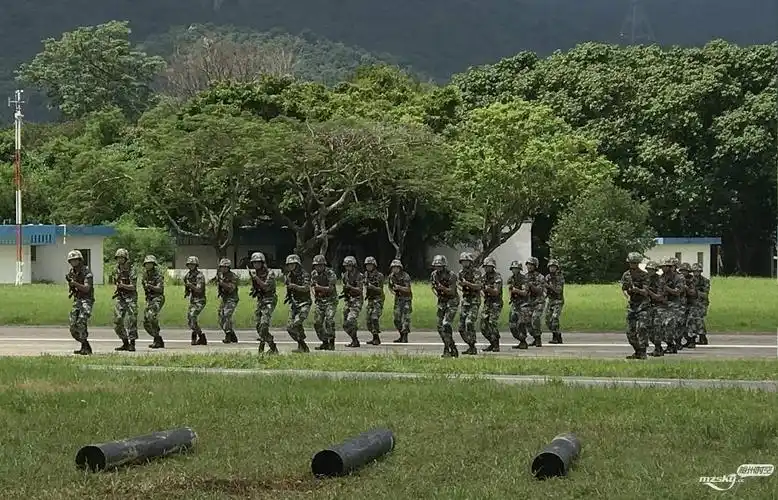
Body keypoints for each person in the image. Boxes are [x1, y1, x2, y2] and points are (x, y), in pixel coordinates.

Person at [620, 252, 650, 359]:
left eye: (634, 263)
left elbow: (646, 291)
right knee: (630, 331)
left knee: (641, 328)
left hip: (643, 306)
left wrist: (638, 290)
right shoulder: (626, 275)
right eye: (631, 263)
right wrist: (627, 296)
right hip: (632, 306)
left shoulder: (644, 275)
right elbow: (623, 288)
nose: (632, 265)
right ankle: (637, 351)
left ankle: (643, 351)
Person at [430, 254, 459, 358]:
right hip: (442, 302)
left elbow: (451, 291)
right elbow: (433, 287)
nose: (438, 268)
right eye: (436, 266)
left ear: (444, 266)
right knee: (440, 327)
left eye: (440, 266)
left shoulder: (452, 275)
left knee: (446, 324)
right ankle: (452, 346)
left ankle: (447, 349)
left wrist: (442, 288)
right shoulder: (433, 275)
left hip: (452, 301)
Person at [249, 252, 278, 354]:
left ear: (262, 263)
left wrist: (255, 278)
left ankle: (267, 346)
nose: (256, 265)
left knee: (264, 324)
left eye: (258, 263)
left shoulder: (270, 273)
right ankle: (271, 345)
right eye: (254, 263)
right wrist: (253, 290)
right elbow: (255, 288)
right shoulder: (255, 274)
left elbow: (266, 286)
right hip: (261, 300)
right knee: (258, 325)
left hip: (269, 299)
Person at [66, 250, 94, 355]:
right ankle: (84, 344)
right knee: (73, 326)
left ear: (80, 260)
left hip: (86, 300)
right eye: (71, 261)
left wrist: (75, 284)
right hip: (77, 300)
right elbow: (72, 287)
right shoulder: (72, 272)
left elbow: (87, 288)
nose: (74, 262)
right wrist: (71, 285)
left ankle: (86, 347)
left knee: (81, 321)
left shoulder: (87, 272)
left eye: (75, 260)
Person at [111, 248, 138, 351]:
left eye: (122, 258)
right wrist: (118, 287)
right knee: (117, 320)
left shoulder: (132, 269)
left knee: (132, 320)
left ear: (126, 258)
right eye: (118, 258)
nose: (120, 260)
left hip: (131, 297)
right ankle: (125, 342)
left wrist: (123, 285)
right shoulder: (116, 269)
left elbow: (133, 287)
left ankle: (132, 343)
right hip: (120, 297)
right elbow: (115, 282)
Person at [284, 254, 311, 353]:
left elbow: (306, 288)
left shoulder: (305, 274)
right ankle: (301, 345)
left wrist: (294, 286)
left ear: (297, 264)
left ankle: (303, 346)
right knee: (289, 327)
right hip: (294, 304)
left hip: (304, 303)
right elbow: (289, 290)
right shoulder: (289, 276)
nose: (290, 266)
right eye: (289, 264)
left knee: (296, 324)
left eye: (293, 264)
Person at [310, 254, 338, 351]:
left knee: (329, 320)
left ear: (324, 265)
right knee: (317, 322)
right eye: (316, 265)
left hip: (331, 300)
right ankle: (324, 342)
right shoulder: (314, 274)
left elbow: (331, 289)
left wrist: (319, 287)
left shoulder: (330, 273)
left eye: (320, 265)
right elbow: (313, 286)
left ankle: (331, 342)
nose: (318, 267)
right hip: (320, 301)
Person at [457, 252, 482, 355]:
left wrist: (467, 284)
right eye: (463, 261)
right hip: (465, 300)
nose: (464, 263)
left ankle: (473, 346)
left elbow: (478, 286)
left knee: (469, 322)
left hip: (474, 300)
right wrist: (462, 286)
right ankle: (470, 344)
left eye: (466, 261)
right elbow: (459, 285)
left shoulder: (476, 272)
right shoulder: (461, 273)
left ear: (470, 262)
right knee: (461, 326)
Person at [141, 255, 165, 349]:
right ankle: (157, 337)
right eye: (147, 263)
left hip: (158, 297)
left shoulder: (158, 275)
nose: (148, 265)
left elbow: (160, 289)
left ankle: (157, 339)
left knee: (151, 315)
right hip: (150, 299)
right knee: (146, 321)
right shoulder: (145, 275)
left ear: (153, 264)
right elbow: (144, 288)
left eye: (150, 263)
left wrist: (150, 287)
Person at [480, 256, 503, 352]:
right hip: (487, 302)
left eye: (488, 266)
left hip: (496, 303)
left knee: (492, 322)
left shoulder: (497, 277)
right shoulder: (483, 277)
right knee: (483, 325)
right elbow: (480, 288)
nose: (486, 268)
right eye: (485, 266)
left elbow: (496, 292)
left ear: (493, 267)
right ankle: (492, 342)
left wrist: (487, 288)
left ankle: (496, 343)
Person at [183, 256, 207, 345]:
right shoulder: (187, 276)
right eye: (189, 264)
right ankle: (200, 335)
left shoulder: (200, 276)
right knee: (190, 320)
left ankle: (196, 335)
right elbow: (187, 286)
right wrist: (187, 291)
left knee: (192, 316)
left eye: (192, 264)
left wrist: (191, 286)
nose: (191, 266)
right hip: (193, 300)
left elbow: (199, 289)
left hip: (200, 300)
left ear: (196, 265)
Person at [341, 256, 364, 348]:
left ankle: (355, 341)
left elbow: (360, 290)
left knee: (351, 319)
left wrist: (350, 287)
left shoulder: (359, 276)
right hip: (349, 300)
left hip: (357, 300)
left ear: (354, 266)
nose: (347, 268)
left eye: (349, 266)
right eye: (346, 266)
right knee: (345, 324)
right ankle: (354, 340)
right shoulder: (345, 276)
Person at [387, 259, 412, 343]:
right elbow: (390, 286)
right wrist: (394, 292)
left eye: (396, 268)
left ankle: (405, 336)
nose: (395, 269)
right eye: (393, 268)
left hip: (406, 299)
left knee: (406, 318)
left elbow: (408, 289)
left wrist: (399, 287)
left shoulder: (405, 276)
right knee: (396, 318)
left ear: (400, 268)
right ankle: (401, 334)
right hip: (398, 299)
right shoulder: (391, 276)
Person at [216, 258, 240, 344]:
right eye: (222, 267)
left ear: (229, 267)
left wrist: (222, 283)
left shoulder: (234, 277)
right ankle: (232, 334)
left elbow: (231, 288)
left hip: (232, 299)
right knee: (220, 318)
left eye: (225, 267)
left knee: (226, 315)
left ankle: (228, 335)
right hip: (224, 299)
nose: (223, 269)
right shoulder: (220, 275)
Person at [363, 256, 386, 345]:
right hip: (370, 299)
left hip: (378, 298)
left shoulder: (379, 276)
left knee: (374, 317)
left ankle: (377, 338)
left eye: (370, 265)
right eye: (367, 265)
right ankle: (374, 336)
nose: (368, 267)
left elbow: (380, 289)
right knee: (368, 320)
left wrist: (372, 287)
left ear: (374, 265)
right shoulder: (365, 274)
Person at [507, 261, 529, 349]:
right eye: (513, 268)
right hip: (514, 303)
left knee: (521, 323)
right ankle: (520, 340)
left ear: (520, 269)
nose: (515, 270)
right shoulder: (510, 279)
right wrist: (510, 297)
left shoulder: (524, 279)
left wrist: (516, 290)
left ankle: (523, 342)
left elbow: (525, 293)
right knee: (512, 325)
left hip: (523, 304)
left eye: (516, 268)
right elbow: (509, 289)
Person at [644, 261, 665, 356]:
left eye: (651, 270)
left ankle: (658, 348)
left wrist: (648, 291)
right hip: (648, 306)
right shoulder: (646, 279)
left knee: (657, 328)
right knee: (648, 328)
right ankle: (658, 348)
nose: (649, 271)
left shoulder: (660, 280)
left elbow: (659, 297)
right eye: (648, 269)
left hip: (659, 306)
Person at [524, 257, 546, 347]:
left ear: (535, 266)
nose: (529, 266)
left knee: (535, 318)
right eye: (528, 264)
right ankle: (535, 337)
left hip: (539, 301)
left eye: (531, 265)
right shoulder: (525, 277)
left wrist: (531, 285)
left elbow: (540, 290)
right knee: (527, 321)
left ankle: (538, 339)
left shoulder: (540, 277)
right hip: (529, 302)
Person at [689, 262, 710, 346]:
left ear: (700, 271)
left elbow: (705, 294)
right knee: (692, 317)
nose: (695, 273)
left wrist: (696, 292)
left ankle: (701, 336)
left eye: (697, 271)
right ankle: (695, 337)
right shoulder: (690, 281)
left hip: (702, 303)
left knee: (697, 316)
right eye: (694, 271)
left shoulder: (705, 281)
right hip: (692, 303)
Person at [544, 258, 565, 344]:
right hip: (550, 300)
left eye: (554, 267)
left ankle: (556, 337)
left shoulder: (560, 278)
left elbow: (558, 290)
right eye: (550, 267)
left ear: (557, 268)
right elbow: (545, 289)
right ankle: (556, 334)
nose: (552, 268)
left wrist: (548, 286)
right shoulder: (548, 277)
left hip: (558, 301)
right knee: (547, 320)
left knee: (555, 318)